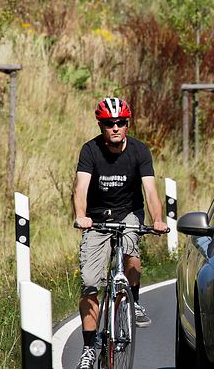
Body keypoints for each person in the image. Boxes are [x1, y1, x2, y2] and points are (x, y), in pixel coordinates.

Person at [73, 97, 168, 369]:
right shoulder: (90, 151)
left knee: (130, 247)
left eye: (120, 123)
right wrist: (82, 216)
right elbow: (80, 189)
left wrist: (158, 220)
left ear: (127, 124)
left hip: (129, 212)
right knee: (91, 283)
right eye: (108, 123)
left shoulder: (140, 151)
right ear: (101, 125)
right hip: (97, 218)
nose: (115, 127)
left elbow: (150, 191)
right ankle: (90, 348)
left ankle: (133, 302)